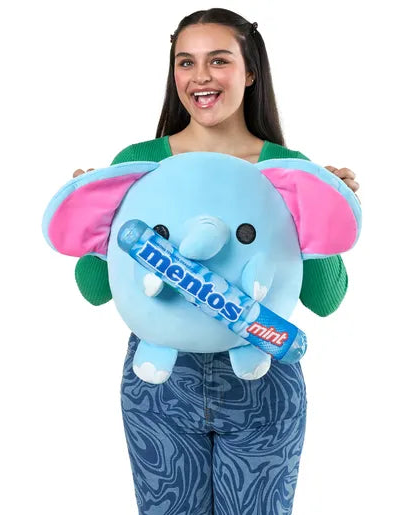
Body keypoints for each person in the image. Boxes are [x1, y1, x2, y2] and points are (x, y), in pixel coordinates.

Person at [72, 8, 360, 515]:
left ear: (250, 73)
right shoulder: (139, 164)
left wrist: (328, 212)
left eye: (219, 60)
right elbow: (96, 289)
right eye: (186, 62)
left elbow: (325, 299)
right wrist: (92, 221)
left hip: (262, 382)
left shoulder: (287, 171)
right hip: (161, 383)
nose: (200, 76)